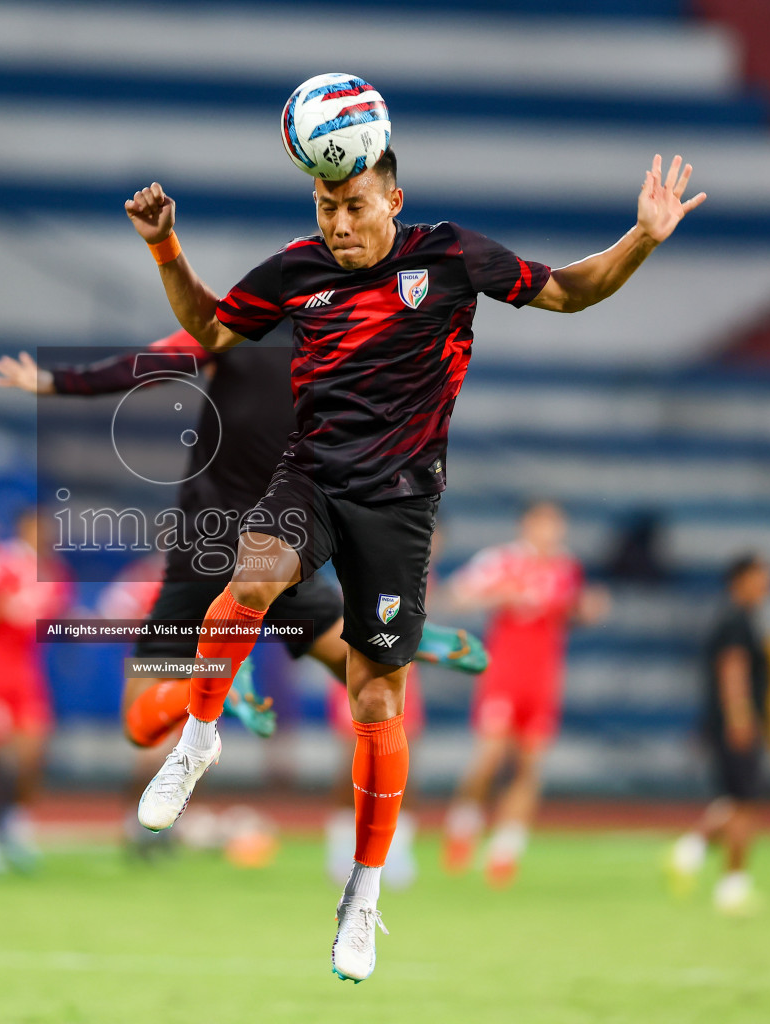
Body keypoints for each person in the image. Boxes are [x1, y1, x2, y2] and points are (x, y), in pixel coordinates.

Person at [122, 145, 706, 981]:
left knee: (375, 696)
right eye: (326, 208)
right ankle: (200, 740)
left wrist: (641, 238)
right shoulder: (297, 271)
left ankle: (362, 894)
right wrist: (165, 246)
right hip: (313, 476)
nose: (340, 223)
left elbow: (572, 293)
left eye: (355, 205)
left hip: (399, 505)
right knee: (252, 574)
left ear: (392, 197)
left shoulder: (452, 256)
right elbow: (214, 327)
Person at [0, 335, 484, 752]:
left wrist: (56, 381)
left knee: (138, 718)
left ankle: (206, 681)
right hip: (281, 545)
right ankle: (402, 635)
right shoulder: (350, 350)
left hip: (205, 545)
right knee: (352, 662)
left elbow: (155, 365)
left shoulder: (238, 322)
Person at [440, 500, 609, 887]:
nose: (549, 533)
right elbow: (456, 595)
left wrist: (586, 611)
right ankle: (463, 823)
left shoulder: (567, 569)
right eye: (542, 525)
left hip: (543, 676)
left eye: (555, 526)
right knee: (490, 756)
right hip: (504, 673)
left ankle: (505, 850)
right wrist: (499, 595)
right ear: (526, 526)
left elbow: (569, 613)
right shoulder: (502, 561)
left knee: (530, 762)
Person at [668, 552, 770, 915]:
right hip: (735, 724)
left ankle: (690, 853)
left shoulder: (737, 618)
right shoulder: (736, 621)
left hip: (726, 722)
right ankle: (732, 885)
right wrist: (741, 718)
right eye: (762, 576)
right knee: (744, 806)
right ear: (741, 579)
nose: (768, 584)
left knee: (733, 802)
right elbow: (733, 670)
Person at [0, 508, 72, 870]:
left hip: (27, 673)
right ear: (23, 527)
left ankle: (15, 822)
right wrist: (1, 609)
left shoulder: (56, 575)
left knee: (32, 754)